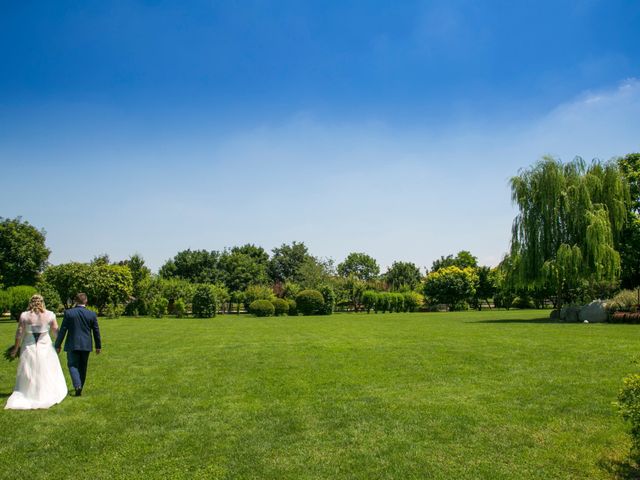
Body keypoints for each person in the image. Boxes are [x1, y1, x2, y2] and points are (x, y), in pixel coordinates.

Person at [5, 294, 68, 410]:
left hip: (29, 346)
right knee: (46, 369)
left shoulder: (24, 315)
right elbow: (56, 331)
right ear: (42, 302)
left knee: (29, 370)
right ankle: (45, 392)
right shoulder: (50, 315)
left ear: (30, 302)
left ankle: (29, 393)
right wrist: (58, 345)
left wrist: (15, 348)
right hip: (45, 346)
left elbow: (19, 333)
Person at [55, 293, 102, 397]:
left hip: (72, 343)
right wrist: (98, 346)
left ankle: (77, 386)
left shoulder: (69, 313)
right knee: (83, 366)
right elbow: (96, 331)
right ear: (86, 301)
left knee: (72, 365)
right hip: (86, 344)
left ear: (75, 301)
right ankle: (80, 386)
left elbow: (63, 330)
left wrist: (57, 344)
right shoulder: (92, 314)